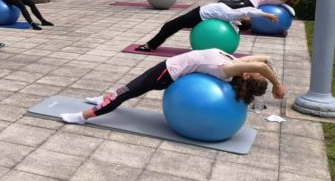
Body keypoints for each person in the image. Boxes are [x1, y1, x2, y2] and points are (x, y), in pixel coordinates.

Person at [60, 48, 285, 125]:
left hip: (167, 73)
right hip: (168, 68)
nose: (259, 68)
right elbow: (263, 60)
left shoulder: (228, 69)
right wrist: (272, 72)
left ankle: (83, 116)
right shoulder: (237, 64)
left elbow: (261, 66)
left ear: (247, 76)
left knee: (127, 92)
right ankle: (104, 99)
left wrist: (276, 83)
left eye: (259, 74)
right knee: (127, 89)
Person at [135, 2, 279, 52]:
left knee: (169, 26)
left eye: (249, 19)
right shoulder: (234, 16)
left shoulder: (232, 15)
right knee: (171, 27)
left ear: (244, 20)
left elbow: (248, 11)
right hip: (198, 13)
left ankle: (150, 45)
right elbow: (246, 10)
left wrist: (267, 15)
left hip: (198, 15)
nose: (248, 16)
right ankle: (152, 44)